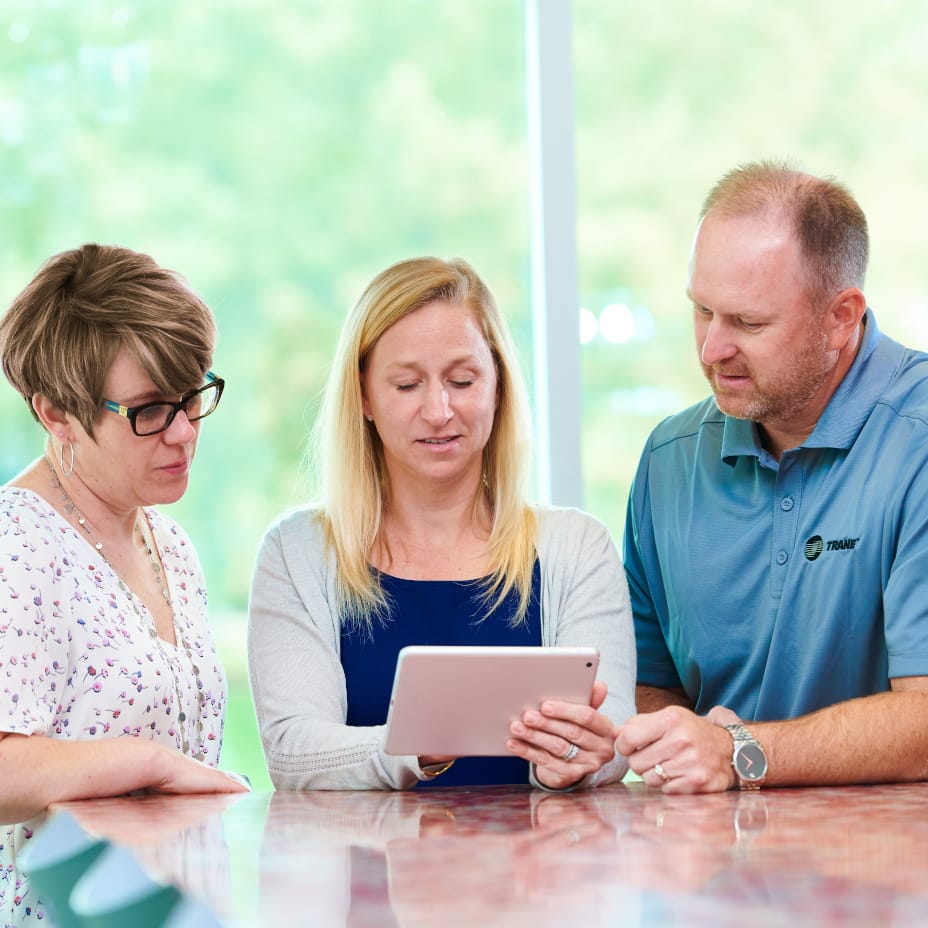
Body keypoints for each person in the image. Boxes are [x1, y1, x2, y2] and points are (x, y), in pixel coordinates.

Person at [248, 256, 635, 790]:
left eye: (462, 380)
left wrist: (580, 759)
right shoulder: (297, 552)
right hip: (367, 870)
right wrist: (417, 745)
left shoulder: (578, 547)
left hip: (537, 872)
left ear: (497, 385)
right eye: (407, 385)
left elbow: (612, 742)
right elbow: (294, 755)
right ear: (363, 395)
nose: (438, 410)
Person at [616, 160, 928, 793]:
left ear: (842, 316)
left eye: (749, 323)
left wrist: (737, 751)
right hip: (707, 864)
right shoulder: (668, 459)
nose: (710, 350)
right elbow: (647, 685)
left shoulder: (917, 442)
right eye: (702, 311)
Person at [0, 243, 248, 828]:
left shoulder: (170, 543)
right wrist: (148, 763)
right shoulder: (18, 543)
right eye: (150, 409)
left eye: (192, 395)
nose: (184, 432)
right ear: (57, 413)